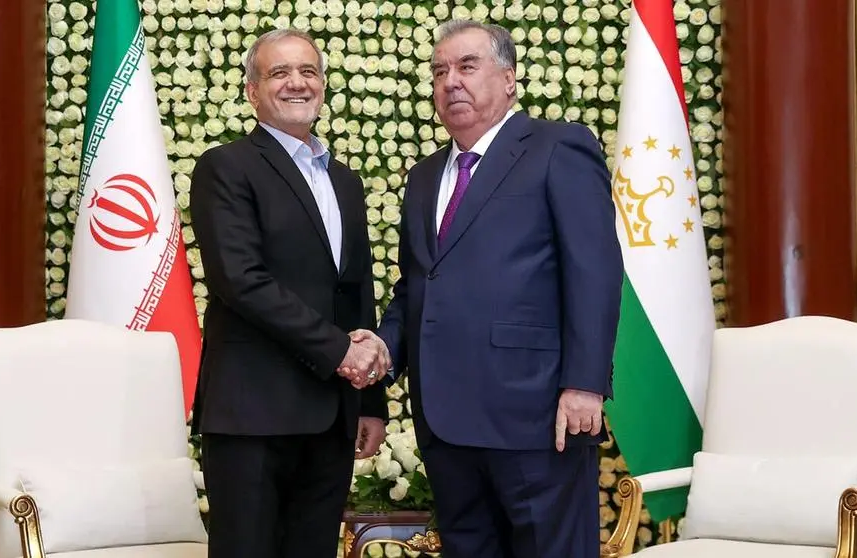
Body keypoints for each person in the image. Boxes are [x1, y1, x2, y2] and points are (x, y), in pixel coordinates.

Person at [360, 19, 624, 558]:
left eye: (466, 66)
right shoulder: (424, 177)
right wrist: (382, 352)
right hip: (445, 422)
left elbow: (594, 271)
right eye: (439, 72)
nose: (450, 81)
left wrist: (585, 383)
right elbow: (417, 286)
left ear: (508, 78)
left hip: (537, 415)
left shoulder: (558, 147)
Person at [188, 28, 390, 558]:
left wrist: (370, 401)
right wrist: (340, 351)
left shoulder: (344, 180)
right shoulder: (225, 166)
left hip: (332, 415)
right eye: (279, 73)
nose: (297, 83)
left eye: (308, 72)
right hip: (253, 414)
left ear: (322, 85)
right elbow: (240, 279)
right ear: (252, 92)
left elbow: (355, 291)